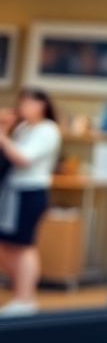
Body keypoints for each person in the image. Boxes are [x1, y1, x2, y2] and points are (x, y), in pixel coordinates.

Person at [0, 89, 62, 317]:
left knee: (24, 245)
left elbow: (23, 158)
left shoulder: (47, 130)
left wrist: (3, 137)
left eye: (29, 102)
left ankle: (25, 298)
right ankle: (19, 291)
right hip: (13, 192)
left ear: (42, 106)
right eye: (21, 102)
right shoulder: (24, 128)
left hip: (30, 192)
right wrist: (6, 127)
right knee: (7, 245)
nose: (23, 107)